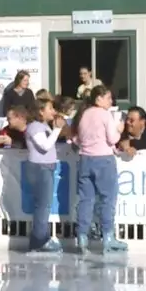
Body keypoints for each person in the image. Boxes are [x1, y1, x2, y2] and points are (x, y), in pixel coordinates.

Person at [74, 85, 125, 253]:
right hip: (103, 159)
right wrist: (119, 130)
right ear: (99, 99)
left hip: (85, 159)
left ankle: (82, 236)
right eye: (108, 97)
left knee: (85, 200)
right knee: (107, 199)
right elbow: (112, 139)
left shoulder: (84, 114)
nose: (111, 101)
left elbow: (79, 138)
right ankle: (108, 237)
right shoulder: (105, 115)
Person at [23, 97, 65, 253]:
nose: (53, 111)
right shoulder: (35, 127)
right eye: (50, 108)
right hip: (39, 168)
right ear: (41, 111)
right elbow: (45, 146)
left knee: (43, 204)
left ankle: (38, 238)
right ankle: (40, 240)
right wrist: (57, 129)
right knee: (43, 205)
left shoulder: (42, 126)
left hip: (44, 167)